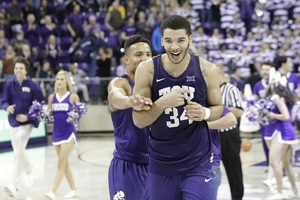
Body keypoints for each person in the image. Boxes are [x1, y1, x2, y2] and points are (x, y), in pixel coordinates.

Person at [132, 15, 223, 200]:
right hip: (161, 164)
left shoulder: (208, 70)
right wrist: (163, 102)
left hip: (198, 164)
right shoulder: (147, 69)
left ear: (190, 39)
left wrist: (204, 112)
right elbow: (139, 120)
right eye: (168, 41)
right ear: (162, 41)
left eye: (181, 40)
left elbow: (219, 108)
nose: (174, 46)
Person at [107, 35, 152, 200]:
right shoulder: (121, 83)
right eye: (139, 54)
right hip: (128, 165)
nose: (145, 58)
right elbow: (115, 96)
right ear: (126, 59)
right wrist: (130, 101)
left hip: (156, 166)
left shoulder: (156, 85)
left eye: (148, 54)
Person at [0, 56, 44, 197]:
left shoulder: (33, 85)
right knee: (18, 152)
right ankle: (28, 169)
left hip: (27, 125)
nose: (18, 71)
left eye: (21, 68)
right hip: (13, 123)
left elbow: (39, 106)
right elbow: (3, 100)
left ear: (26, 71)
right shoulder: (9, 84)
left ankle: (15, 184)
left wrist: (28, 117)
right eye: (16, 68)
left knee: (18, 148)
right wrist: (7, 107)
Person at [45, 70, 80, 200]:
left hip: (69, 133)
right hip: (56, 133)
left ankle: (52, 191)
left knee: (60, 163)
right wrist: (43, 115)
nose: (59, 81)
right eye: (57, 79)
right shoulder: (51, 97)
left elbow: (79, 114)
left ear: (67, 81)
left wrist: (76, 115)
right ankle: (74, 190)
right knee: (64, 164)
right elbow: (49, 116)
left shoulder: (73, 97)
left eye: (62, 79)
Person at [264, 73, 298, 200]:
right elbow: (292, 117)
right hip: (282, 131)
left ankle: (279, 192)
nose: (269, 84)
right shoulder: (282, 97)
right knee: (286, 164)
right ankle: (294, 191)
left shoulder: (277, 97)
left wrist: (271, 115)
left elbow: (286, 116)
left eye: (271, 82)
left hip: (282, 132)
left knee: (274, 161)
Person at [218, 65, 244, 200]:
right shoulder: (205, 89)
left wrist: (218, 110)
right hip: (211, 134)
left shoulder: (231, 89)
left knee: (233, 170)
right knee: (211, 171)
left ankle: (237, 197)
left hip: (228, 135)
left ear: (221, 75)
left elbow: (239, 111)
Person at [207, 106, 237, 195]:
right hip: (179, 162)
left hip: (209, 162)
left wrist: (203, 125)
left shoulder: (207, 100)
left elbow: (232, 119)